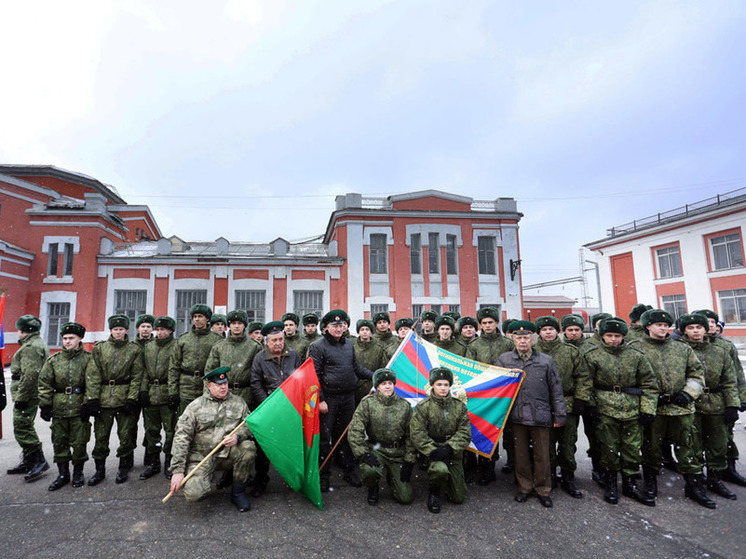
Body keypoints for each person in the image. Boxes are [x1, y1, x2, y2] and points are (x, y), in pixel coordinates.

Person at [583, 317, 657, 506]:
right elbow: (585, 383)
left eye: (617, 336)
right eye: (609, 335)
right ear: (602, 336)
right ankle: (610, 483)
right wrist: (590, 405)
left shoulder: (636, 355)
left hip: (632, 407)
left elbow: (649, 383)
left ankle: (630, 484)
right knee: (608, 447)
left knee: (632, 447)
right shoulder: (592, 355)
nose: (613, 339)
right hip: (605, 407)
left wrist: (647, 408)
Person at [636, 309, 706, 504]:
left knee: (688, 446)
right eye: (658, 324)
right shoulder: (636, 348)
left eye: (666, 325)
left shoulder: (682, 349)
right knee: (651, 447)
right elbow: (632, 379)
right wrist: (649, 399)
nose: (663, 328)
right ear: (648, 326)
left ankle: (693, 485)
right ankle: (650, 482)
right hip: (654, 408)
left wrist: (688, 393)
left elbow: (696, 374)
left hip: (681, 407)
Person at [497, 321, 566, 507]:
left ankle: (543, 489)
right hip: (517, 415)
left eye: (526, 337)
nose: (522, 341)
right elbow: (496, 388)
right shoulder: (504, 360)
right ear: (512, 339)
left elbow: (556, 389)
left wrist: (559, 414)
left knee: (542, 454)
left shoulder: (546, 361)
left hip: (540, 414)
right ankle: (524, 487)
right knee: (520, 455)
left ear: (533, 339)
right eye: (518, 338)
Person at [169, 367, 256, 512]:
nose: (223, 387)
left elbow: (249, 426)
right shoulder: (195, 407)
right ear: (209, 386)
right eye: (218, 384)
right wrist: (177, 471)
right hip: (201, 457)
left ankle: (238, 492)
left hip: (227, 454)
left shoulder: (239, 402)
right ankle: (206, 478)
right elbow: (181, 438)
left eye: (225, 383)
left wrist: (238, 436)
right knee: (194, 494)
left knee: (248, 448)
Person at [309, 309, 373, 492]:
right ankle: (324, 476)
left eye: (342, 325)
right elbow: (315, 375)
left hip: (348, 397)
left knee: (347, 435)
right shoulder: (318, 346)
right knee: (325, 438)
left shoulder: (348, 344)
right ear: (326, 327)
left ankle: (349, 470)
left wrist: (376, 376)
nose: (339, 328)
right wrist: (320, 400)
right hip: (328, 399)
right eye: (335, 326)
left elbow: (355, 368)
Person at [679, 313, 739, 506]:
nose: (695, 331)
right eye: (691, 328)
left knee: (718, 445)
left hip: (716, 402)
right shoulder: (679, 350)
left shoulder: (720, 350)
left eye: (699, 327)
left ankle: (715, 480)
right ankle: (694, 484)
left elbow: (730, 380)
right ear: (684, 331)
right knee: (692, 445)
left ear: (706, 329)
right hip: (690, 404)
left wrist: (732, 405)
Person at [533, 315, 590, 499]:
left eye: (551, 329)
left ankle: (568, 476)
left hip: (567, 403)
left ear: (557, 331)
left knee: (567, 443)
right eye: (544, 329)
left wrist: (580, 399)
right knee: (545, 444)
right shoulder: (532, 352)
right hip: (541, 404)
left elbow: (583, 377)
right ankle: (548, 476)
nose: (548, 332)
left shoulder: (571, 351)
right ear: (539, 333)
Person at [37, 322, 96, 490]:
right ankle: (63, 474)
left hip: (79, 409)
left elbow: (93, 382)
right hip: (59, 409)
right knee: (59, 442)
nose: (67, 341)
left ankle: (78, 473)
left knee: (79, 442)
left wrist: (88, 403)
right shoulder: (54, 361)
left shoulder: (88, 359)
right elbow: (44, 383)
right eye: (65, 338)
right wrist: (45, 405)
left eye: (71, 338)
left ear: (80, 339)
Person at [88, 314, 145, 485]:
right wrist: (92, 399)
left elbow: (137, 376)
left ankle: (123, 468)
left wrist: (131, 399)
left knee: (126, 436)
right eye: (115, 329)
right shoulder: (100, 349)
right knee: (100, 437)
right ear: (110, 330)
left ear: (126, 330)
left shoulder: (134, 349)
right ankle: (99, 470)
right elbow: (93, 374)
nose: (118, 332)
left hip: (124, 397)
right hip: (104, 398)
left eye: (121, 329)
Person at [348, 368, 416, 506]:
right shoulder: (367, 403)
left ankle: (393, 478)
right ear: (377, 386)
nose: (387, 386)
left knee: (405, 498)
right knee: (370, 470)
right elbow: (355, 430)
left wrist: (409, 460)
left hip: (397, 452)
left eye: (390, 383)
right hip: (376, 449)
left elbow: (411, 435)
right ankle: (372, 487)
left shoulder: (404, 406)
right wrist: (363, 454)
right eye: (383, 383)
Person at [249, 321, 302, 496]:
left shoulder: (293, 354)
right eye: (274, 340)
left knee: (291, 444)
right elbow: (256, 384)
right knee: (264, 447)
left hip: (289, 408)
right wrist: (267, 406)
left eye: (280, 339)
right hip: (268, 408)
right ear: (267, 342)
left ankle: (294, 478)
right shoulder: (259, 358)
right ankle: (261, 480)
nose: (278, 343)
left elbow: (300, 379)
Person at [694, 309, 746, 487]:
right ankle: (700, 478)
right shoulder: (687, 346)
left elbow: (736, 375)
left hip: (721, 400)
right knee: (698, 441)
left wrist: (740, 398)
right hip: (698, 402)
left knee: (725, 438)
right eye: (706, 322)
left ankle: (728, 470)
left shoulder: (726, 346)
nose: (710, 325)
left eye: (713, 322)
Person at [410, 367, 471, 513]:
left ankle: (449, 482)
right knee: (439, 469)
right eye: (439, 384)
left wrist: (450, 448)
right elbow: (417, 433)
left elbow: (465, 432)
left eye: (446, 385)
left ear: (450, 386)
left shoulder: (459, 407)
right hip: (434, 451)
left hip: (452, 452)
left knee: (458, 498)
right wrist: (432, 450)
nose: (443, 388)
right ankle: (434, 491)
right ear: (432, 385)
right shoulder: (423, 407)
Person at [466, 307, 514, 483]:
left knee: (499, 430)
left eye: (490, 322)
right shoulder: (474, 345)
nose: (487, 325)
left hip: (504, 394)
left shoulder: (508, 344)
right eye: (484, 323)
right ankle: (484, 467)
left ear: (496, 323)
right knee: (483, 430)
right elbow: (469, 371)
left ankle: (492, 466)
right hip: (482, 396)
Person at [8, 314, 50, 482]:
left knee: (22, 426)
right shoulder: (35, 343)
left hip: (27, 394)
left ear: (23, 330)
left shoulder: (31, 347)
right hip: (30, 392)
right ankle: (29, 460)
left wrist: (21, 397)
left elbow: (30, 374)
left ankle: (39, 460)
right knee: (24, 424)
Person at [139, 315, 180, 480]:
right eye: (158, 329)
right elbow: (142, 371)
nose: (160, 332)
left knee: (171, 431)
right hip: (150, 394)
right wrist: (143, 391)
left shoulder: (176, 346)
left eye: (163, 329)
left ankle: (169, 462)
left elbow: (175, 371)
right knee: (151, 430)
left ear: (170, 331)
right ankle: (153, 462)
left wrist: (173, 393)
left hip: (166, 393)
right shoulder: (148, 347)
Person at [168, 304, 223, 416]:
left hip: (207, 388)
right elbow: (174, 367)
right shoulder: (183, 339)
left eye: (200, 316)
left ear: (207, 319)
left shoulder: (217, 340)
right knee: (185, 422)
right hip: (185, 388)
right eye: (194, 316)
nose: (197, 319)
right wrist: (172, 392)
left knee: (206, 422)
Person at [206, 310, 261, 410]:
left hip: (248, 395)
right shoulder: (219, 347)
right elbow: (210, 371)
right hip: (224, 393)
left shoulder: (254, 346)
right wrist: (208, 394)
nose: (236, 326)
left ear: (244, 325)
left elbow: (259, 373)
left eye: (240, 323)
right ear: (229, 325)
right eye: (233, 323)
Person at [352, 319, 386, 404]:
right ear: (358, 332)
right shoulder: (352, 347)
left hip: (372, 387)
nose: (365, 332)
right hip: (355, 388)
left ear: (371, 332)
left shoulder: (379, 348)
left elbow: (382, 367)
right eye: (362, 330)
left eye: (367, 330)